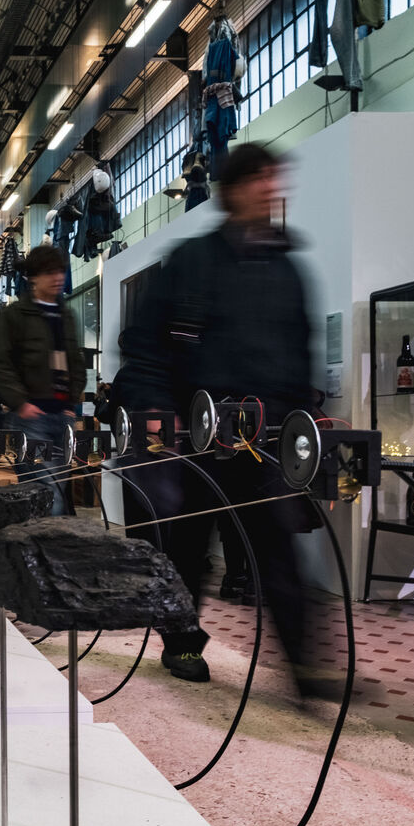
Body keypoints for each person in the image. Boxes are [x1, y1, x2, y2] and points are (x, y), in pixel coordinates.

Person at [114, 142, 313, 687]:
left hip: (264, 437)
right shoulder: (192, 261)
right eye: (259, 179)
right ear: (233, 191)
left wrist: (305, 416)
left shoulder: (287, 269)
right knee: (189, 545)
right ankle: (181, 645)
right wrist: (157, 408)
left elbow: (300, 351)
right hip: (198, 433)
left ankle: (305, 667)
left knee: (276, 546)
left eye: (274, 178)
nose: (271, 188)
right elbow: (145, 343)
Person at [0, 244, 87, 516]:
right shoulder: (14, 315)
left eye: (60, 271)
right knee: (47, 492)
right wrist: (21, 404)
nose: (58, 278)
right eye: (50, 272)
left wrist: (72, 402)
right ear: (33, 277)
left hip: (62, 416)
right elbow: (0, 364)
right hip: (31, 419)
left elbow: (75, 360)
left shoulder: (66, 315)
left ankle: (35, 540)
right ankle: (46, 543)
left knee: (56, 490)